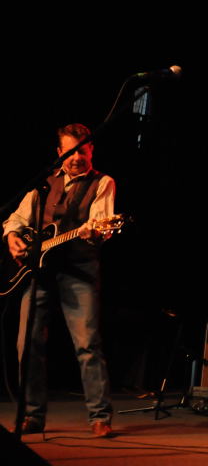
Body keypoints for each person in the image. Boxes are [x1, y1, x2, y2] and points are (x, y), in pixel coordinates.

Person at [4, 123, 115, 437]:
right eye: (70, 152)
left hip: (78, 271)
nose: (77, 157)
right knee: (27, 344)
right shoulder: (45, 184)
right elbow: (16, 218)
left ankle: (100, 417)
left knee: (87, 344)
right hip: (39, 271)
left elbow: (102, 224)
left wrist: (94, 232)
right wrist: (12, 237)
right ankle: (32, 416)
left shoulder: (102, 182)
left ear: (91, 150)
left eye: (82, 151)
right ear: (59, 153)